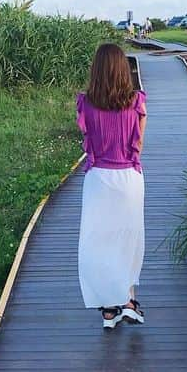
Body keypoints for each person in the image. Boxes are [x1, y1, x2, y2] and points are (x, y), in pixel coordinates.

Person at [76, 43, 146, 329]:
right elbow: (138, 145)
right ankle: (128, 302)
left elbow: (87, 139)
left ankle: (108, 309)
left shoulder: (85, 103)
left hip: (99, 180)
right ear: (123, 70)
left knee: (98, 241)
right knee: (127, 240)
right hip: (128, 178)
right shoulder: (137, 101)